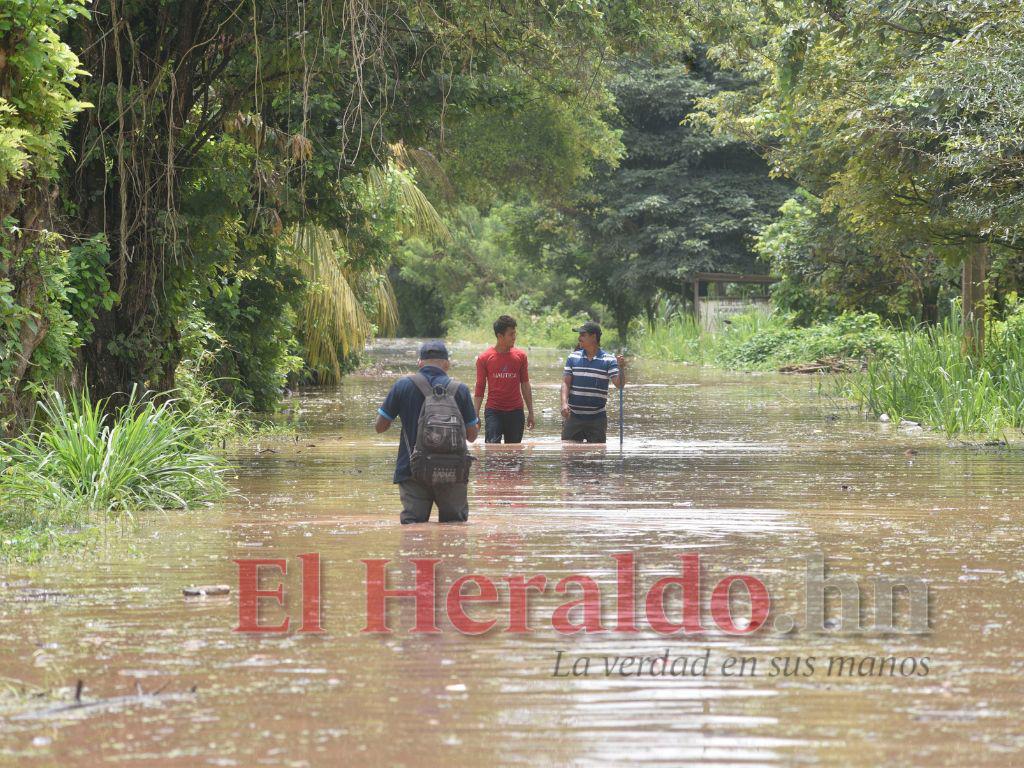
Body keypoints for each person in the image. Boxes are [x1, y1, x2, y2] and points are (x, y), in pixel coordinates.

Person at [375, 341, 479, 523]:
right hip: (452, 471)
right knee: (454, 530)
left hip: (412, 470)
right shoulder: (460, 390)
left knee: (413, 530)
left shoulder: (402, 386)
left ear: (420, 363)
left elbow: (380, 427)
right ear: (446, 364)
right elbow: (472, 436)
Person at [473, 315, 535, 444]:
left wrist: (531, 412)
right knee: (492, 453)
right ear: (500, 336)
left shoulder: (521, 356)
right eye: (511, 334)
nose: (514, 337)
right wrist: (476, 414)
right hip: (493, 412)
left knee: (514, 455)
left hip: (516, 412)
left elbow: (525, 384)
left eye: (514, 333)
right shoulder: (484, 358)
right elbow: (480, 387)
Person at [560, 322, 626, 443]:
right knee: (569, 457)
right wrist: (564, 403)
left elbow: (619, 385)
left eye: (583, 335)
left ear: (594, 337)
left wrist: (621, 368)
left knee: (597, 458)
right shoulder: (573, 358)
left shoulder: (609, 360)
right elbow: (565, 383)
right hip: (573, 417)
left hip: (597, 419)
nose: (579, 338)